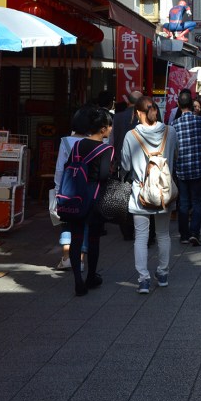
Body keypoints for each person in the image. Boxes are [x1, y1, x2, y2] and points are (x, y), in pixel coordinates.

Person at [122, 96, 178, 294]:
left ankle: (143, 279)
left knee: (141, 236)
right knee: (163, 234)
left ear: (138, 113)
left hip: (140, 193)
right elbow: (175, 158)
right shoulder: (170, 132)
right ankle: (163, 274)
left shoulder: (131, 136)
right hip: (164, 192)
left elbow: (125, 165)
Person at [64, 105, 114, 296]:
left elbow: (70, 166)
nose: (110, 130)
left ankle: (78, 279)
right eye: (109, 126)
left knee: (76, 239)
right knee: (93, 239)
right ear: (102, 129)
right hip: (94, 198)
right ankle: (91, 276)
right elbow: (103, 176)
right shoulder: (105, 149)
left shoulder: (77, 145)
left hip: (75, 196)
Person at [172, 89, 201, 245]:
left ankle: (184, 234)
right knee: (197, 201)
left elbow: (172, 150)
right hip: (198, 168)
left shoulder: (174, 125)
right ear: (192, 105)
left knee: (184, 202)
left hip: (181, 170)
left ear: (179, 104)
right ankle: (194, 233)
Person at [52, 111, 87, 271]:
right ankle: (79, 259)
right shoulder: (92, 142)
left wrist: (58, 188)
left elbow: (60, 168)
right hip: (85, 188)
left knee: (66, 220)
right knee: (83, 223)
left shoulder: (65, 141)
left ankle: (66, 257)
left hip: (67, 187)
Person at [111, 89, 144, 241]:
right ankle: (142, 228)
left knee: (124, 198)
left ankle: (127, 231)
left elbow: (112, 142)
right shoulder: (143, 117)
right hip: (141, 164)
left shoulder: (116, 118)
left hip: (121, 165)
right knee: (140, 196)